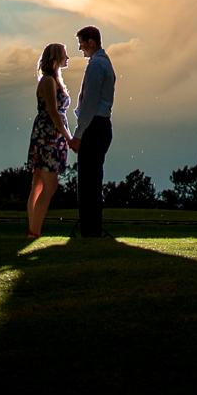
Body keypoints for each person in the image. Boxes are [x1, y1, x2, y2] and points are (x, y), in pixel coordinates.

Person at [25, 42, 73, 239]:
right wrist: (68, 137)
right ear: (55, 57)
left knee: (38, 184)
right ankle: (34, 231)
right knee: (49, 185)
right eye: (64, 54)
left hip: (48, 135)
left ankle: (33, 230)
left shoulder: (53, 80)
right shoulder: (48, 81)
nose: (67, 58)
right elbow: (53, 112)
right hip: (48, 137)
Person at [72, 24, 116, 238]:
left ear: (91, 42)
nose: (81, 49)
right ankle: (92, 228)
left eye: (82, 44)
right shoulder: (104, 63)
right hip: (102, 125)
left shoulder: (96, 65)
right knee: (93, 180)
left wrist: (78, 134)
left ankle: (89, 229)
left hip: (94, 126)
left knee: (88, 181)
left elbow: (90, 102)